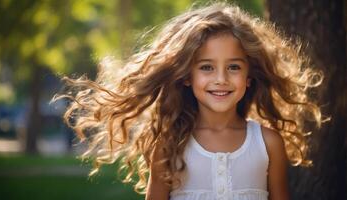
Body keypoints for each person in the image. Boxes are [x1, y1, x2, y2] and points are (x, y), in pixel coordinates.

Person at [53, 2, 324, 200]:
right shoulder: (169, 144)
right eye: (206, 67)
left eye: (233, 67)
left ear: (249, 76)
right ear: (186, 76)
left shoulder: (268, 143)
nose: (221, 79)